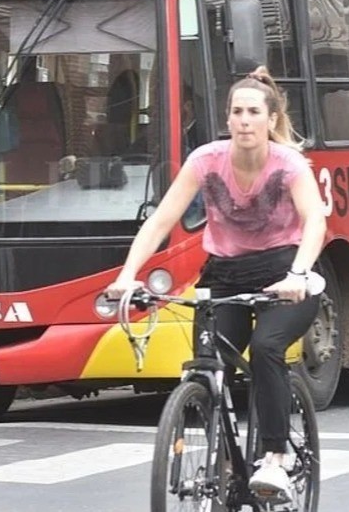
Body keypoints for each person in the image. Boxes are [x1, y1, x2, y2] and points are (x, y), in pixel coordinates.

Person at [105, 66, 326, 503]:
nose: (244, 120)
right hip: (225, 273)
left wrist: (299, 273)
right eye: (236, 112)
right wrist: (127, 276)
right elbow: (161, 222)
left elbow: (315, 219)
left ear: (270, 120)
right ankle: (223, 459)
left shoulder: (287, 164)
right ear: (227, 120)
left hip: (285, 273)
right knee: (209, 363)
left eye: (253, 112)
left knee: (266, 348)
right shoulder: (206, 161)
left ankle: (276, 458)